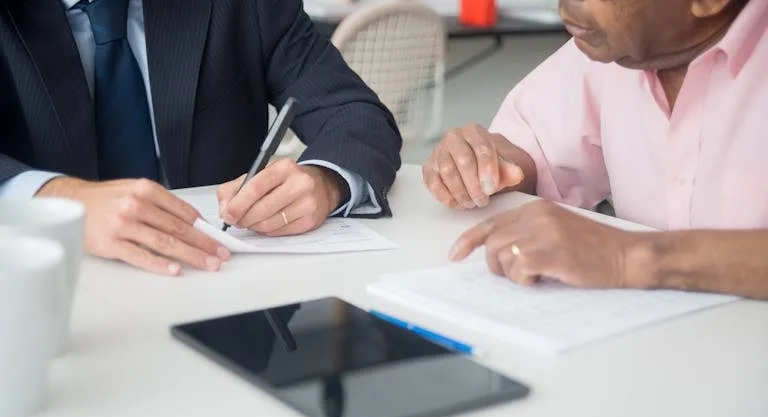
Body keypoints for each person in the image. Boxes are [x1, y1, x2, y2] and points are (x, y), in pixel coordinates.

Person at [0, 0, 402, 275]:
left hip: (220, 287)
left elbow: (353, 111)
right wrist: (61, 200)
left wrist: (324, 181)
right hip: (49, 297)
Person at [423, 0, 768, 299]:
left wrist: (628, 257)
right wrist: (483, 164)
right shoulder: (618, 50)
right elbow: (531, 148)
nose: (566, 6)